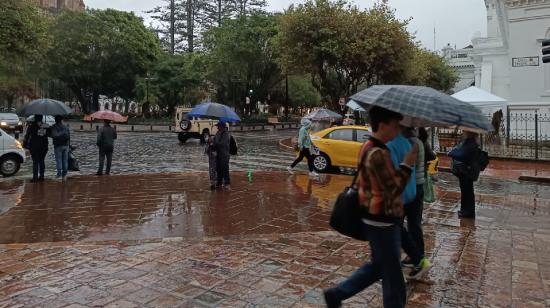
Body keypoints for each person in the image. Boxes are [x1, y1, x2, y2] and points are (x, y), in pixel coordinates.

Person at [323, 106, 417, 308]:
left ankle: (336, 294)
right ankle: (338, 294)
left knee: (378, 267)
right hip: (382, 219)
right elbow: (393, 189)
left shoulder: (369, 146)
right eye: (395, 126)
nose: (398, 130)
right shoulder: (377, 153)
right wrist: (407, 165)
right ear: (383, 125)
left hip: (376, 217)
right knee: (393, 276)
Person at [386, 127, 431, 280]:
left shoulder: (410, 143)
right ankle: (417, 256)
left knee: (398, 223)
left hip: (410, 187)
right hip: (418, 186)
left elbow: (405, 167)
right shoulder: (418, 141)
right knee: (414, 223)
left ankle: (414, 257)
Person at [449, 131, 480, 219]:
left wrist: (452, 153)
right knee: (465, 191)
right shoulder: (468, 141)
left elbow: (462, 154)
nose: (464, 132)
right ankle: (464, 210)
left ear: (470, 133)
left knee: (468, 191)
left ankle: (468, 212)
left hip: (467, 171)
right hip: (465, 170)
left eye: (465, 131)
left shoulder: (471, 143)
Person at [24, 115, 49, 182]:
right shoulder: (46, 125)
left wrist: (25, 144)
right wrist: (45, 129)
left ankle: (35, 178)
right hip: (44, 146)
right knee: (41, 161)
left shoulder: (31, 126)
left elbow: (27, 136)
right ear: (42, 118)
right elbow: (49, 134)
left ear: (35, 118)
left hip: (34, 146)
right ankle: (42, 176)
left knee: (35, 162)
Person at [50, 115, 71, 182]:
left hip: (58, 146)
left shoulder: (54, 127)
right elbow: (69, 136)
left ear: (55, 120)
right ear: (61, 120)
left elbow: (53, 135)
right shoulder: (65, 127)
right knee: (65, 160)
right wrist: (69, 145)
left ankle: (59, 174)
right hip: (66, 145)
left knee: (59, 160)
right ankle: (64, 175)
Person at [213, 121, 231, 190]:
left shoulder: (226, 134)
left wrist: (215, 143)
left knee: (225, 169)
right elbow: (215, 141)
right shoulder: (218, 133)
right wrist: (211, 141)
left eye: (218, 126)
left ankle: (227, 183)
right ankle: (219, 182)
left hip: (224, 155)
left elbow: (222, 144)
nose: (217, 127)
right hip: (218, 154)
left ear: (222, 127)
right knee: (218, 169)